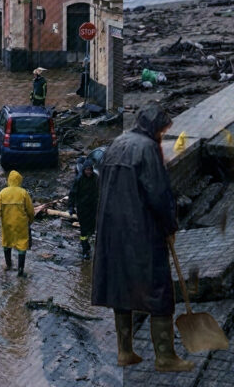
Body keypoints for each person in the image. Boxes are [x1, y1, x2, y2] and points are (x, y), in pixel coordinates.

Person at [92, 104, 193, 373]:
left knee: (120, 290)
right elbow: (158, 193)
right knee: (159, 291)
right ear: (155, 127)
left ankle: (124, 352)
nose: (163, 134)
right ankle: (165, 357)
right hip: (141, 232)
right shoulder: (148, 149)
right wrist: (170, 225)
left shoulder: (116, 144)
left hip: (111, 232)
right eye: (163, 129)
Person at [0, 170, 34, 277]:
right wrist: (30, 221)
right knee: (22, 245)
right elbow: (30, 210)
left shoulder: (2, 193)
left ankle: (8, 265)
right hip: (21, 225)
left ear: (9, 180)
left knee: (6, 243)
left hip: (7, 225)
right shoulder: (24, 193)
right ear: (19, 180)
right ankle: (20, 271)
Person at [68, 159, 99, 260]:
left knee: (92, 227)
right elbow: (72, 193)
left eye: (90, 170)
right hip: (82, 207)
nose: (88, 172)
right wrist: (71, 207)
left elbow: (101, 191)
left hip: (93, 207)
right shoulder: (79, 179)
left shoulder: (96, 178)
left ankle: (88, 242)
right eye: (87, 170)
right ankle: (85, 250)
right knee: (84, 230)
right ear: (84, 170)